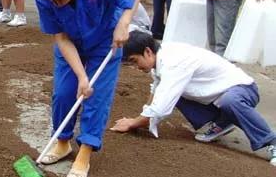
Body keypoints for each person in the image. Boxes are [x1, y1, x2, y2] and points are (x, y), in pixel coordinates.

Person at [35, 0, 140, 177]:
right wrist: (82, 77)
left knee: (97, 96)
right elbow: (61, 38)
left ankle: (85, 153)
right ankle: (62, 143)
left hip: (105, 42)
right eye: (53, 0)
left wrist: (124, 22)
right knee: (64, 93)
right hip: (70, 41)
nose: (57, 4)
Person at [112, 31, 276, 166]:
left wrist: (133, 123)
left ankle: (272, 142)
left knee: (229, 102)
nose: (136, 67)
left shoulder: (173, 63)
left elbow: (160, 109)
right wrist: (139, 116)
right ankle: (222, 123)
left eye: (135, 61)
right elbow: (156, 90)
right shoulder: (161, 56)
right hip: (218, 95)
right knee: (171, 92)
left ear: (148, 51)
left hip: (243, 90)